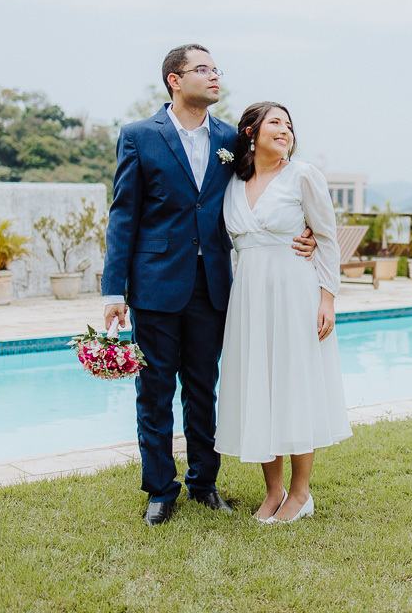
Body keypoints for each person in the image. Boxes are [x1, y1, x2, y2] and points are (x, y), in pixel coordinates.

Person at [102, 46, 315, 527]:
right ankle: (160, 489)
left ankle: (204, 483)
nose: (214, 76)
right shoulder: (139, 136)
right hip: (155, 283)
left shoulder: (229, 139)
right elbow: (123, 214)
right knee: (153, 390)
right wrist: (114, 292)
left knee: (204, 388)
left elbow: (264, 183)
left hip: (216, 285)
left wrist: (302, 236)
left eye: (216, 69)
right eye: (203, 69)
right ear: (175, 80)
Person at [214, 101, 353, 523]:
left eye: (289, 125)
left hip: (295, 292)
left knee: (294, 385)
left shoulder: (303, 175)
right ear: (250, 133)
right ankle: (273, 491)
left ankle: (300, 493)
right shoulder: (232, 182)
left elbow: (327, 239)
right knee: (262, 385)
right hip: (250, 297)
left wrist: (327, 298)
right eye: (275, 122)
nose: (285, 130)